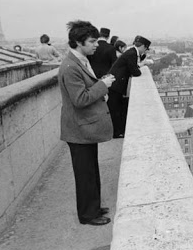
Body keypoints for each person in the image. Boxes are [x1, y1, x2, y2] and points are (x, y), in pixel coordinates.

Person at [59, 20, 115, 226]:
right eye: (92, 41)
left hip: (83, 128)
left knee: (91, 171)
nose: (96, 45)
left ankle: (94, 207)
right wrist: (103, 85)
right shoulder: (70, 67)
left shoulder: (79, 61)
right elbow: (80, 99)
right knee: (85, 174)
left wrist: (100, 86)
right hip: (78, 129)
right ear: (78, 42)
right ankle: (88, 215)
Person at [107, 35, 151, 138]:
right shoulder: (132, 53)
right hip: (116, 85)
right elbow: (136, 72)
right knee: (115, 110)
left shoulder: (131, 52)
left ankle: (117, 131)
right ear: (143, 46)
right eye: (145, 49)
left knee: (115, 109)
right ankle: (116, 133)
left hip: (115, 83)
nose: (145, 51)